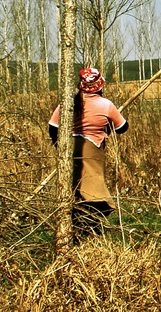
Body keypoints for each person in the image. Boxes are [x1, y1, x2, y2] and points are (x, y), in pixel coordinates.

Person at [48, 67, 129, 235]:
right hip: (92, 151)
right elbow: (123, 127)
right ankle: (89, 229)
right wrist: (108, 122)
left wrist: (60, 147)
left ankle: (79, 227)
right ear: (99, 85)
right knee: (95, 193)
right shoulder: (106, 105)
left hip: (70, 150)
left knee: (76, 188)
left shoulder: (69, 102)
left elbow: (53, 126)